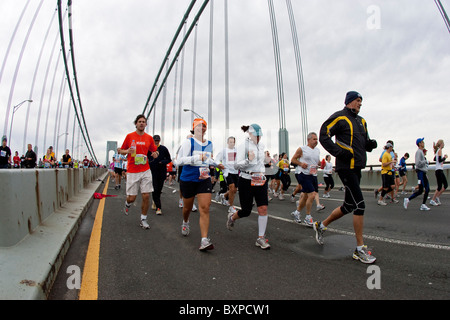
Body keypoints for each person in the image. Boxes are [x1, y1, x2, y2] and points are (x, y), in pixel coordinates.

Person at [316, 91, 378, 264]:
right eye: (358, 101)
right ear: (350, 101)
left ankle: (321, 225)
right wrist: (338, 152)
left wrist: (370, 145)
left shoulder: (362, 121)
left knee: (349, 205)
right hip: (345, 167)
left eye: (361, 101)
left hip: (358, 167)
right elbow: (323, 135)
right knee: (360, 205)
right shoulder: (340, 117)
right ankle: (359, 249)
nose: (360, 104)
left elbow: (364, 143)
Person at [176, 118, 224, 251]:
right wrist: (196, 158)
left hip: (204, 178)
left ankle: (204, 240)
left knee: (205, 208)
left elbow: (207, 159)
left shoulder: (209, 143)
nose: (201, 128)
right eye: (199, 126)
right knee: (187, 208)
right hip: (189, 178)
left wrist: (216, 164)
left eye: (204, 126)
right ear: (194, 128)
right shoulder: (188, 142)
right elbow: (178, 161)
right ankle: (185, 222)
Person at [227, 124, 271, 250]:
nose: (258, 138)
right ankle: (232, 217)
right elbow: (236, 166)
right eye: (256, 135)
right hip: (246, 180)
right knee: (246, 211)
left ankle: (260, 238)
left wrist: (266, 161)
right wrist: (248, 160)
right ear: (250, 134)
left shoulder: (261, 146)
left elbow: (260, 162)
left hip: (260, 180)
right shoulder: (243, 146)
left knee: (263, 208)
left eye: (260, 135)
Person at [117, 114, 159, 229]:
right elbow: (120, 150)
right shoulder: (130, 136)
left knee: (146, 195)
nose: (141, 123)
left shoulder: (149, 138)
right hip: (132, 170)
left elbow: (155, 151)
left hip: (145, 169)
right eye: (139, 121)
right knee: (132, 197)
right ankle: (127, 203)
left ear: (145, 124)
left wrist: (156, 154)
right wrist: (127, 150)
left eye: (143, 121)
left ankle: (143, 219)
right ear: (136, 123)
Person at [290, 132, 321, 227]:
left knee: (307, 196)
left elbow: (317, 162)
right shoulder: (302, 149)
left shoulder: (317, 150)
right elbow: (293, 160)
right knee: (311, 195)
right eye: (314, 139)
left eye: (317, 139)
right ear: (308, 140)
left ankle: (297, 212)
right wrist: (300, 164)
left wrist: (321, 164)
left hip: (313, 174)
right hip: (303, 174)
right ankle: (308, 217)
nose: (316, 141)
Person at [403, 138, 431, 211]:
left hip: (423, 173)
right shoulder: (419, 152)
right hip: (420, 173)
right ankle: (409, 200)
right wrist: (425, 161)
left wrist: (425, 162)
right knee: (423, 189)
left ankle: (422, 204)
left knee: (424, 190)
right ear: (419, 144)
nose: (424, 143)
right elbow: (418, 163)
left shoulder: (421, 152)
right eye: (422, 142)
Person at [148, 135, 171, 215]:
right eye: (155, 140)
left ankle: (155, 200)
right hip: (152, 172)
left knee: (159, 189)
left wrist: (162, 162)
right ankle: (158, 208)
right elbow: (146, 158)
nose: (156, 141)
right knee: (155, 189)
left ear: (159, 140)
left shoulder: (164, 149)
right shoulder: (149, 149)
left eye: (157, 140)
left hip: (162, 172)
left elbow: (169, 159)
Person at [215, 136, 239, 213]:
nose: (232, 143)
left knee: (234, 190)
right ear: (228, 142)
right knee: (231, 188)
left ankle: (224, 195)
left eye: (233, 142)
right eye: (230, 142)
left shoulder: (237, 151)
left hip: (236, 172)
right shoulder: (224, 151)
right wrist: (219, 164)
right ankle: (231, 207)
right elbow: (217, 159)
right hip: (227, 172)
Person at [430, 139, 448, 206]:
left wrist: (437, 155)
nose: (444, 144)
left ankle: (437, 197)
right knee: (439, 186)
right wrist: (445, 157)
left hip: (439, 170)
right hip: (439, 170)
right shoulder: (439, 150)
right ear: (441, 144)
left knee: (445, 185)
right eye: (443, 143)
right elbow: (440, 160)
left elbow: (435, 159)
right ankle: (432, 200)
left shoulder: (438, 151)